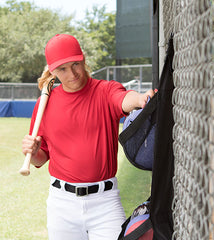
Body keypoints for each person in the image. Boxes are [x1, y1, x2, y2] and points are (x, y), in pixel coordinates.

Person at [22, 34, 155, 240]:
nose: (72, 73)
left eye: (75, 64)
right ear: (52, 71)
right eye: (62, 69)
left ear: (83, 58)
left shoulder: (105, 90)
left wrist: (140, 98)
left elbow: (123, 99)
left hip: (105, 202)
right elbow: (41, 158)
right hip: (61, 203)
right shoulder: (44, 104)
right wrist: (33, 151)